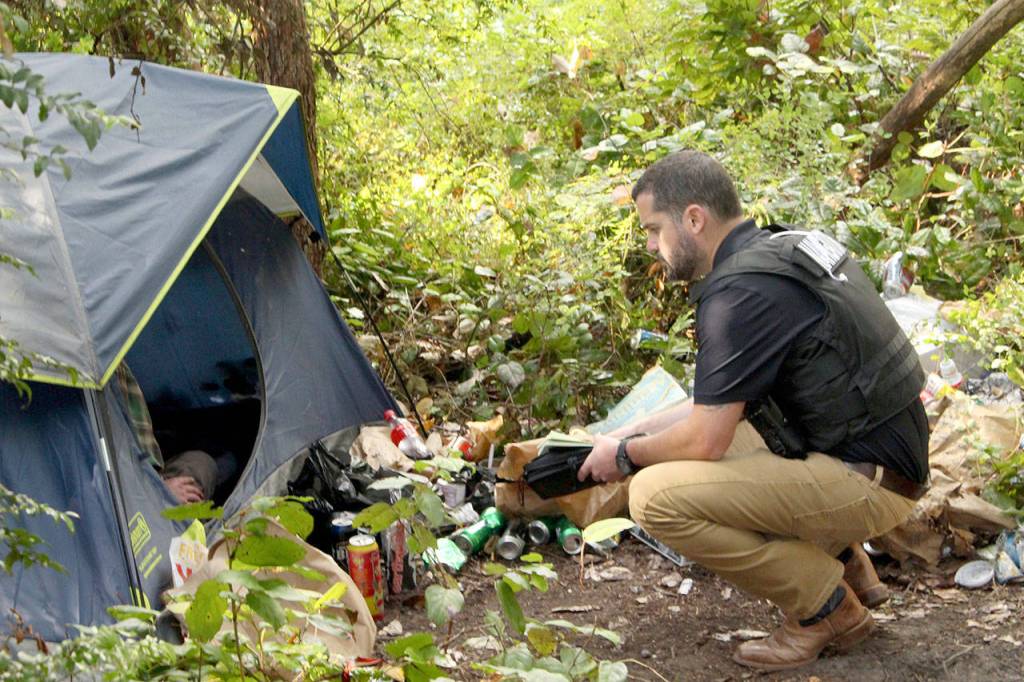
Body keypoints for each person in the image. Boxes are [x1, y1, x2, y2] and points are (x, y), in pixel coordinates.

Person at [577, 150, 929, 672]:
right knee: (712, 457)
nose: (651, 246)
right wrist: (625, 431)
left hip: (869, 480)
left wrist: (624, 457)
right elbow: (716, 405)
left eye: (654, 230)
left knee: (655, 495)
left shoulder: (738, 294)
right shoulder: (781, 249)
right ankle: (851, 566)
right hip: (887, 459)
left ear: (693, 219)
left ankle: (825, 609)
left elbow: (705, 439)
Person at [114, 363, 218, 504]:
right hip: (119, 501)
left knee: (200, 464)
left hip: (142, 478)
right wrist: (158, 494)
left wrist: (158, 484)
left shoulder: (116, 368)